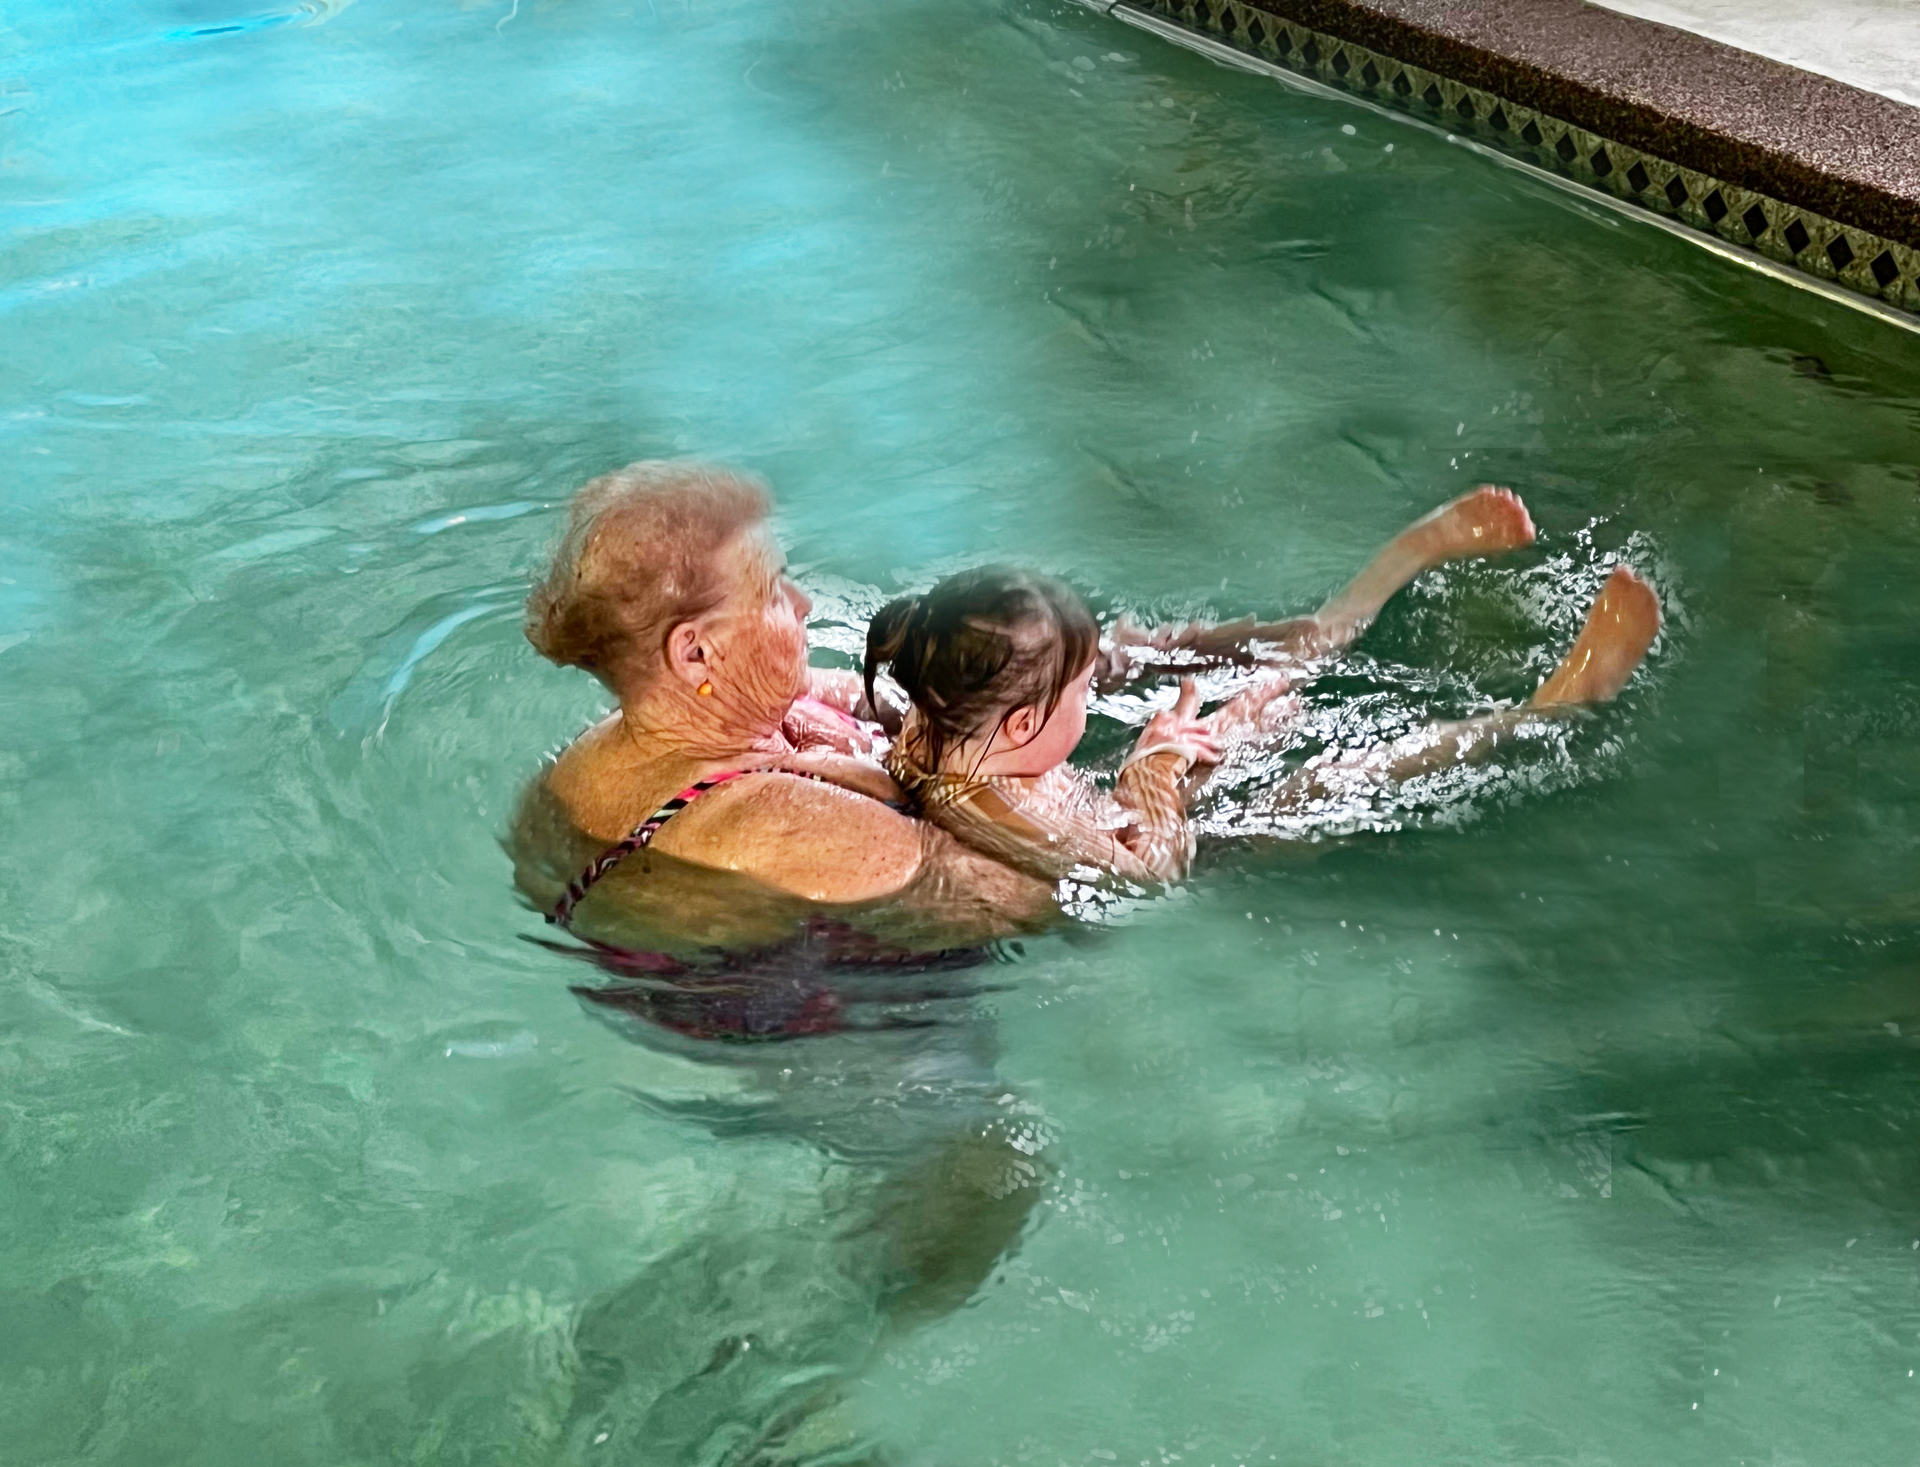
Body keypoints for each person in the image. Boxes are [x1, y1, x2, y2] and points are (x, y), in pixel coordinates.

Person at [864, 488, 1659, 886]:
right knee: (1340, 774)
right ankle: (1557, 703)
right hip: (1198, 846)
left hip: (1120, 801)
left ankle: (1387, 574)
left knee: (1248, 691)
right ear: (1022, 723)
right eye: (1077, 692)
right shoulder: (993, 810)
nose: (1087, 694)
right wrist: (1158, 764)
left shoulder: (940, 721)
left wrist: (1180, 746)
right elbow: (1151, 877)